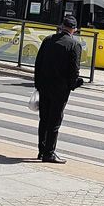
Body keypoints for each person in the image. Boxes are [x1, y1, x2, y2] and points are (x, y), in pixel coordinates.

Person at [34, 14, 84, 164]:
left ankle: (41, 150)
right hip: (60, 89)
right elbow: (74, 70)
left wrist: (38, 84)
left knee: (44, 119)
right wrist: (74, 85)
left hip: (44, 86)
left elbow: (38, 63)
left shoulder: (48, 40)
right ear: (74, 30)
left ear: (62, 26)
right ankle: (49, 153)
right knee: (55, 121)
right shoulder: (74, 45)